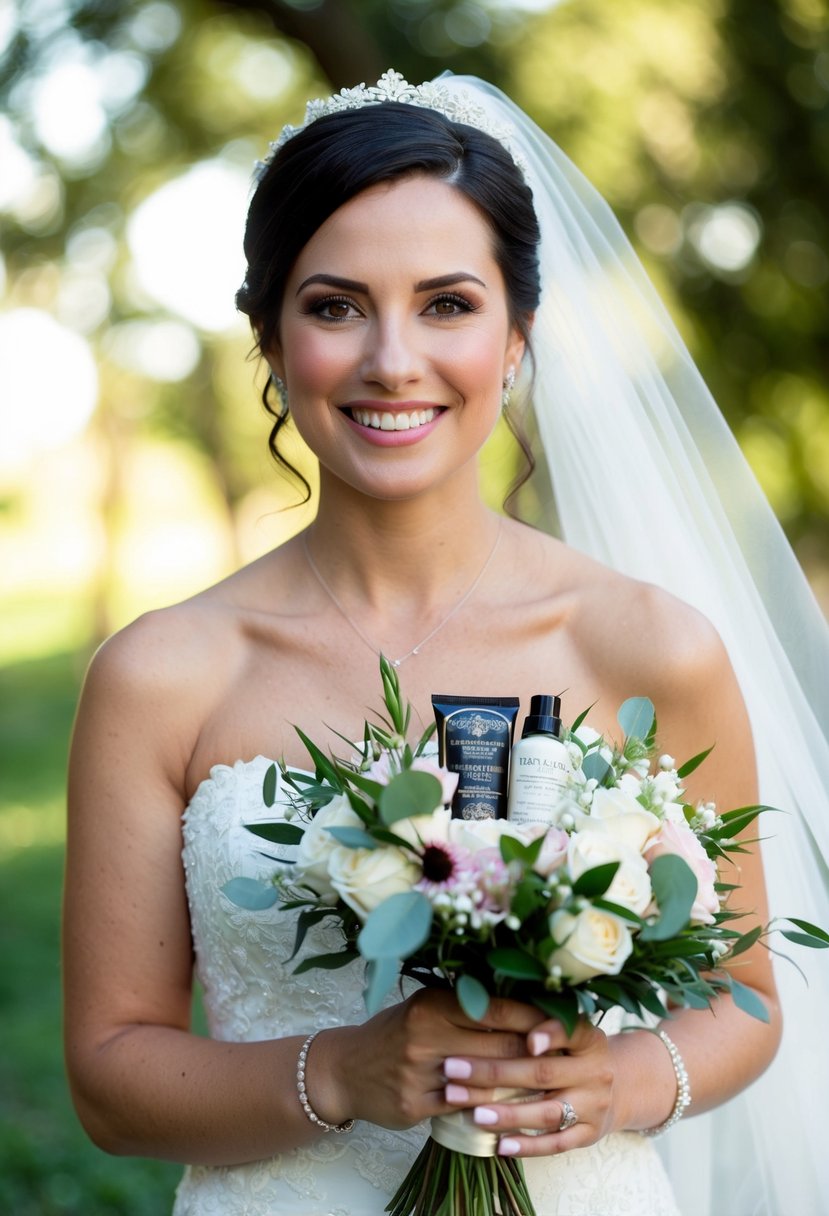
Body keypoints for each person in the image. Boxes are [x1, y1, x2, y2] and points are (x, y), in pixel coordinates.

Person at [63, 72, 829, 1216]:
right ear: (269, 335)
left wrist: (617, 1079)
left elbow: (739, 995)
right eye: (334, 306)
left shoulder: (649, 648)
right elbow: (112, 1080)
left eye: (446, 303)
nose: (392, 359)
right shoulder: (162, 675)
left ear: (517, 332)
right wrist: (344, 1073)